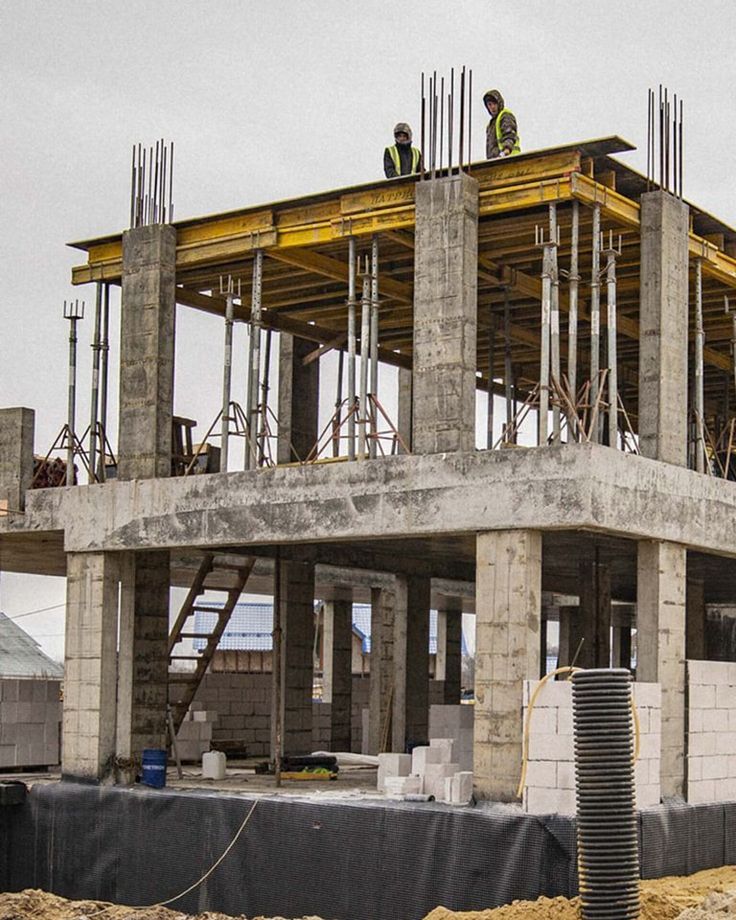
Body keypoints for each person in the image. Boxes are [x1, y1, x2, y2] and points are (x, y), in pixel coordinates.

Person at [484, 89, 520, 159]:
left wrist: (506, 150)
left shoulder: (505, 116)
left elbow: (509, 135)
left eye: (494, 104)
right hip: (497, 160)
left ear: (499, 103)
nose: (492, 107)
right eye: (490, 105)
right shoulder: (490, 125)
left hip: (509, 159)